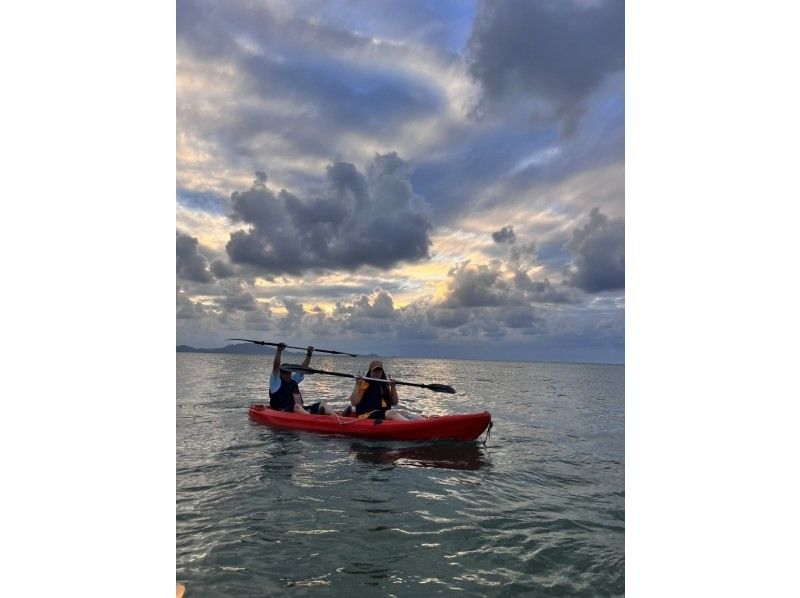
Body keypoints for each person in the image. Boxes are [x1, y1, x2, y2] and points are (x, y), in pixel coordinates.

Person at [269, 343, 337, 417]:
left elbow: (303, 368)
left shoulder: (293, 380)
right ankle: (314, 419)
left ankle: (339, 418)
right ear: (280, 373)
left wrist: (309, 354)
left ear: (291, 372)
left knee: (322, 404)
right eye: (284, 372)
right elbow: (275, 367)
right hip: (282, 411)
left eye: (288, 372)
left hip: (299, 410)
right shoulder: (275, 383)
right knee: (297, 406)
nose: (286, 374)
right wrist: (279, 351)